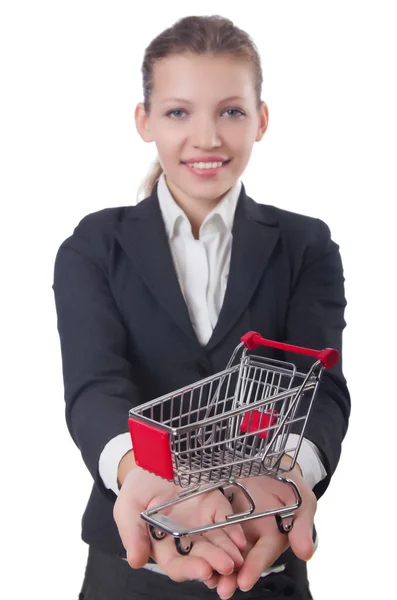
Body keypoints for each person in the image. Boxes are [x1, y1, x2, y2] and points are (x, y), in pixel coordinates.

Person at [53, 14, 350, 600]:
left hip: (262, 562)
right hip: (128, 572)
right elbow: (94, 386)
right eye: (178, 111)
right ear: (145, 121)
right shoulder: (95, 245)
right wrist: (143, 476)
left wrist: (285, 475)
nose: (208, 137)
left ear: (261, 120)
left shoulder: (305, 245)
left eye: (232, 111)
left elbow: (321, 387)